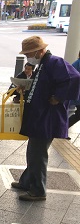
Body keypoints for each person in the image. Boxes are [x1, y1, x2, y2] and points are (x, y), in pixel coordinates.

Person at [12, 36, 80, 201]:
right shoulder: (43, 65)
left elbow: (74, 78)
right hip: (39, 116)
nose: (28, 57)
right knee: (33, 151)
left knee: (38, 153)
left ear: (38, 51)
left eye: (29, 53)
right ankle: (27, 181)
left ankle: (38, 189)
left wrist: (58, 97)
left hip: (48, 117)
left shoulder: (54, 62)